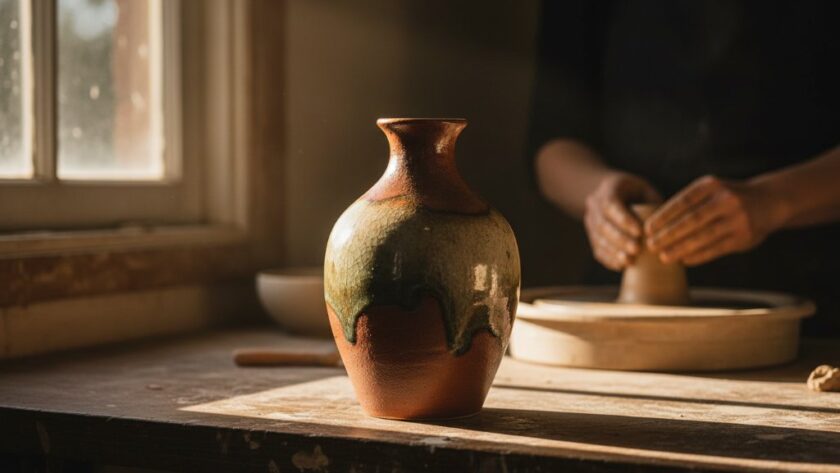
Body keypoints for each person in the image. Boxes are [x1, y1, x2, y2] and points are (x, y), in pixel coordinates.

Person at [529, 1, 840, 334]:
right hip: (624, 288)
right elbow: (551, 143)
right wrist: (598, 196)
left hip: (808, 292)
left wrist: (774, 201)